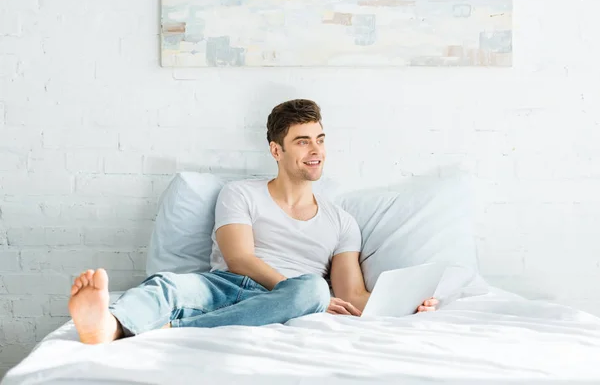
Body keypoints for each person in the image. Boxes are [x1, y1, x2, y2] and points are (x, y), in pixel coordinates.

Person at [68, 99, 438, 344]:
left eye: (320, 140)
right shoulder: (240, 193)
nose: (316, 151)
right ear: (276, 150)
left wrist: (407, 303)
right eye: (303, 142)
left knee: (314, 289)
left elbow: (351, 295)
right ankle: (107, 326)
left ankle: (177, 331)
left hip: (293, 297)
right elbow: (239, 259)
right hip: (224, 285)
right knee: (167, 286)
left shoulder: (342, 222)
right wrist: (290, 290)